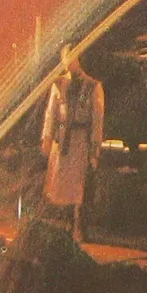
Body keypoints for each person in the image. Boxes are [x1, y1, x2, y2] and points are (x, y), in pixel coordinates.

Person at [41, 44, 105, 242]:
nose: (68, 62)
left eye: (72, 58)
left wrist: (94, 147)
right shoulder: (59, 84)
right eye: (65, 58)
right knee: (59, 186)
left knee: (78, 186)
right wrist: (47, 137)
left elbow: (97, 119)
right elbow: (51, 113)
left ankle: (80, 227)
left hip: (79, 142)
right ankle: (64, 226)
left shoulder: (92, 86)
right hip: (62, 141)